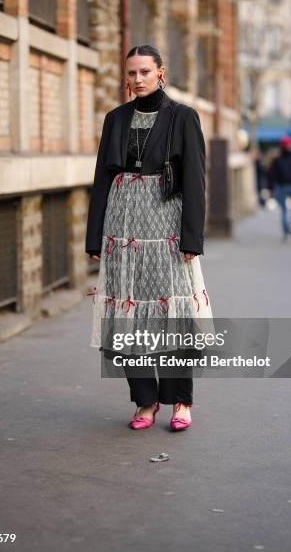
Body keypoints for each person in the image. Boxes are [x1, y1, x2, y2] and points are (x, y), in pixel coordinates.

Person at [85, 44, 213, 431]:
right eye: (131, 73)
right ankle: (144, 400)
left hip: (166, 227)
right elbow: (102, 179)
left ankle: (180, 402)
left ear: (161, 72)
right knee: (126, 313)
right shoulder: (115, 118)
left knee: (172, 313)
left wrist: (191, 238)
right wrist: (95, 237)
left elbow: (195, 181)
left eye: (144, 72)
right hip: (121, 228)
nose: (137, 79)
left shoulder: (183, 117)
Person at [267, 135, 291, 241]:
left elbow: (272, 175)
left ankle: (287, 232)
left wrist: (271, 189)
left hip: (282, 186)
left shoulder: (277, 160)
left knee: (284, 210)